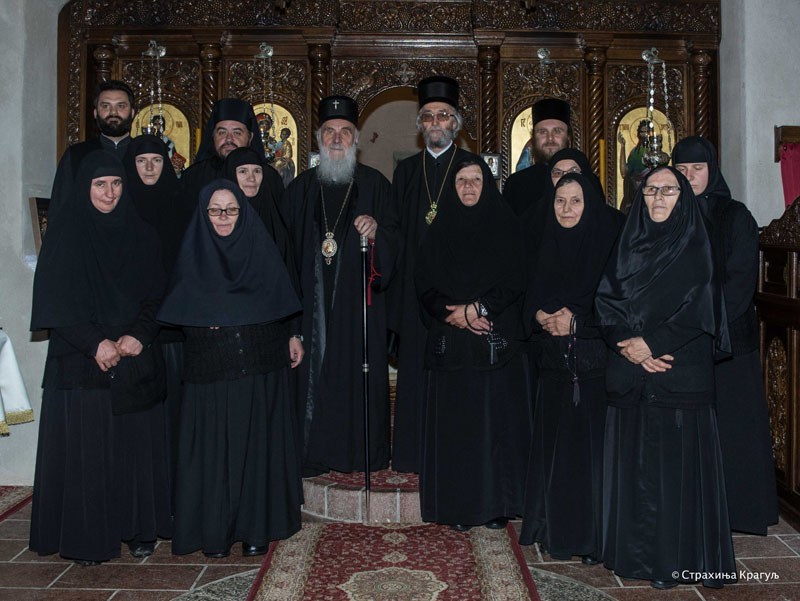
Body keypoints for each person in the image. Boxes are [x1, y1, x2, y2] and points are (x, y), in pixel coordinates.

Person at [595, 166, 735, 589]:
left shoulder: (697, 246)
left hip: (678, 373)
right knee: (635, 469)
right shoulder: (627, 244)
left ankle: (674, 563)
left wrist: (650, 344)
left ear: (684, 198)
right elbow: (604, 303)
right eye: (651, 190)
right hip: (631, 374)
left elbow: (700, 310)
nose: (658, 198)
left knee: (672, 474)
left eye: (668, 191)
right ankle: (632, 557)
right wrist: (628, 343)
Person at [29, 150, 171, 564]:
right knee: (91, 452)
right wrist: (95, 343)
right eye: (100, 185)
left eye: (116, 184)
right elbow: (56, 304)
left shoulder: (143, 234)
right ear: (84, 188)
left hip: (132, 356)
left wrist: (138, 336)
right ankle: (89, 536)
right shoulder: (65, 236)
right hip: (80, 363)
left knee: (133, 450)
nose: (109, 193)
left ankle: (138, 528)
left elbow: (157, 295)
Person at [158, 179, 303, 558]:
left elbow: (282, 304)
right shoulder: (192, 256)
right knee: (214, 450)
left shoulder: (261, 250)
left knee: (256, 449)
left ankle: (256, 528)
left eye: (231, 209)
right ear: (204, 214)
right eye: (215, 210)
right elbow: (179, 312)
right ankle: (215, 530)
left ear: (244, 213)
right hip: (211, 370)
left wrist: (290, 334)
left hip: (259, 366)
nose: (223, 217)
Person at [282, 95, 399, 476]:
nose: (337, 138)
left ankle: (357, 455)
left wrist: (378, 234)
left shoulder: (376, 186)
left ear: (356, 140)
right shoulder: (299, 190)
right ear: (318, 138)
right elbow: (283, 257)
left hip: (359, 313)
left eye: (345, 132)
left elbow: (399, 247)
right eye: (329, 132)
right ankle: (311, 457)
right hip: (309, 312)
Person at [415, 158, 530, 531]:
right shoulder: (437, 230)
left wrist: (478, 308)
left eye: (476, 180)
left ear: (488, 184)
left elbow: (517, 278)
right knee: (456, 429)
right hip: (451, 347)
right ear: (453, 186)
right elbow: (423, 285)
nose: (468, 187)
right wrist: (454, 314)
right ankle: (456, 506)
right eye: (461, 180)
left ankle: (495, 506)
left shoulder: (507, 225)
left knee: (493, 427)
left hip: (492, 342)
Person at [673, 135, 778, 535]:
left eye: (697, 169)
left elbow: (739, 285)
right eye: (681, 170)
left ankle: (739, 512)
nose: (690, 177)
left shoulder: (736, 216)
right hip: (684, 344)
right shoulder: (670, 215)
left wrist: (703, 325)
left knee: (734, 431)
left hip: (728, 342)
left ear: (711, 169)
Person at [519, 173, 622, 563]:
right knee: (554, 453)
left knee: (588, 458)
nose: (566, 209)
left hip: (593, 369)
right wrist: (539, 314)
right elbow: (526, 292)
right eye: (560, 201)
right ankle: (554, 530)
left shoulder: (607, 245)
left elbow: (616, 307)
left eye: (575, 201)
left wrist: (575, 322)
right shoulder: (542, 241)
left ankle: (590, 539)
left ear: (589, 205)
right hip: (551, 368)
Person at [389, 75, 484, 473]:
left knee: (455, 378)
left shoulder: (472, 168)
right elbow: (395, 228)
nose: (435, 123)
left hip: (457, 293)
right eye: (428, 117)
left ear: (455, 124)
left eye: (443, 116)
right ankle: (412, 456)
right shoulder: (407, 171)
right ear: (420, 125)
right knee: (414, 373)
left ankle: (451, 457)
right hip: (415, 292)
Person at [123, 134, 188, 508]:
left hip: (174, 333)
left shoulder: (181, 205)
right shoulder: (121, 206)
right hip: (132, 332)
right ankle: (140, 503)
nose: (149, 167)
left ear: (168, 164)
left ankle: (174, 501)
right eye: (142, 161)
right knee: (140, 425)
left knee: (174, 421)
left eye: (157, 161)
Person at [181, 98, 284, 218]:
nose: (229, 139)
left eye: (237, 133)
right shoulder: (194, 177)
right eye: (222, 132)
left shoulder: (269, 178)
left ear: (250, 137)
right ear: (213, 136)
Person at [49, 80, 136, 221]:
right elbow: (60, 209)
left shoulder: (145, 156)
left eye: (121, 106)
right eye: (105, 106)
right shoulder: (77, 155)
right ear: (95, 113)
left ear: (132, 113)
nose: (113, 112)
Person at [504, 97, 571, 217]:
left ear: (568, 137)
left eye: (557, 131)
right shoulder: (515, 184)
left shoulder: (587, 180)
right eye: (542, 132)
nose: (550, 138)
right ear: (533, 138)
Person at [618, 120, 650, 213]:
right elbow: (624, 172)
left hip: (648, 188)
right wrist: (623, 147)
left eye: (647, 132)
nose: (644, 135)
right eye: (642, 132)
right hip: (634, 191)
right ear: (638, 134)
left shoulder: (654, 153)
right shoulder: (634, 152)